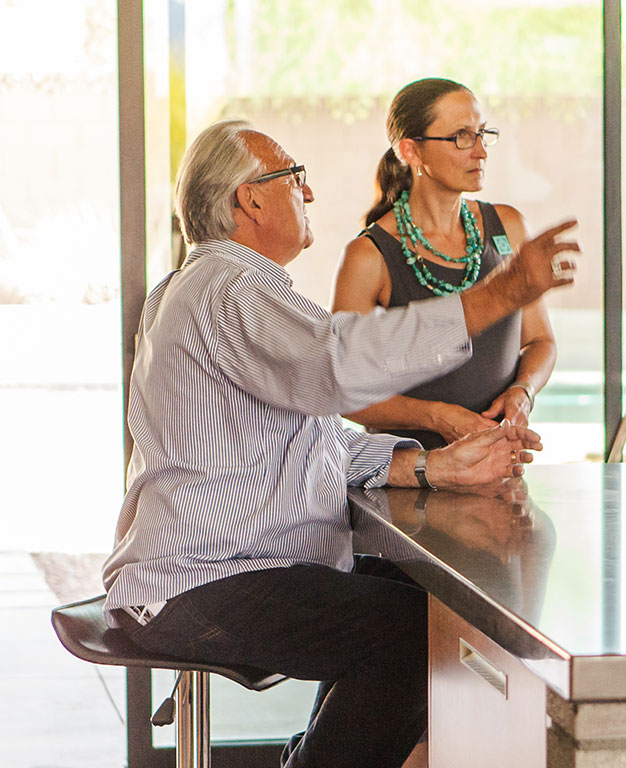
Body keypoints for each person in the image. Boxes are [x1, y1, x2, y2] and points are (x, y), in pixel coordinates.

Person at [101, 119, 579, 768]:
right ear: (251, 199)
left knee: (423, 606)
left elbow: (316, 437)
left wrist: (432, 466)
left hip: (227, 565)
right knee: (406, 634)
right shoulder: (229, 290)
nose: (310, 194)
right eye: (295, 178)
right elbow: (342, 367)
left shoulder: (223, 291)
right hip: (198, 579)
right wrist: (498, 295)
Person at [332, 78, 565, 448]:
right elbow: (345, 388)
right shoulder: (369, 254)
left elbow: (540, 341)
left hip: (497, 463)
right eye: (460, 136)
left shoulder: (509, 226)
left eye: (481, 134)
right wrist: (437, 418)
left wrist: (523, 390)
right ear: (411, 151)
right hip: (411, 474)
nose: (480, 152)